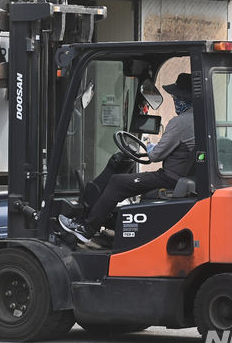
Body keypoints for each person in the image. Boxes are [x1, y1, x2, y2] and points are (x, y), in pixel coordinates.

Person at [59, 73, 195, 243]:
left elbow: (155, 155)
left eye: (176, 96)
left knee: (117, 182)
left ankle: (86, 229)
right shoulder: (197, 119)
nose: (174, 99)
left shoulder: (180, 122)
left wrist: (152, 147)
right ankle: (105, 220)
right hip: (180, 177)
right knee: (126, 182)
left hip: (169, 178)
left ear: (183, 98)